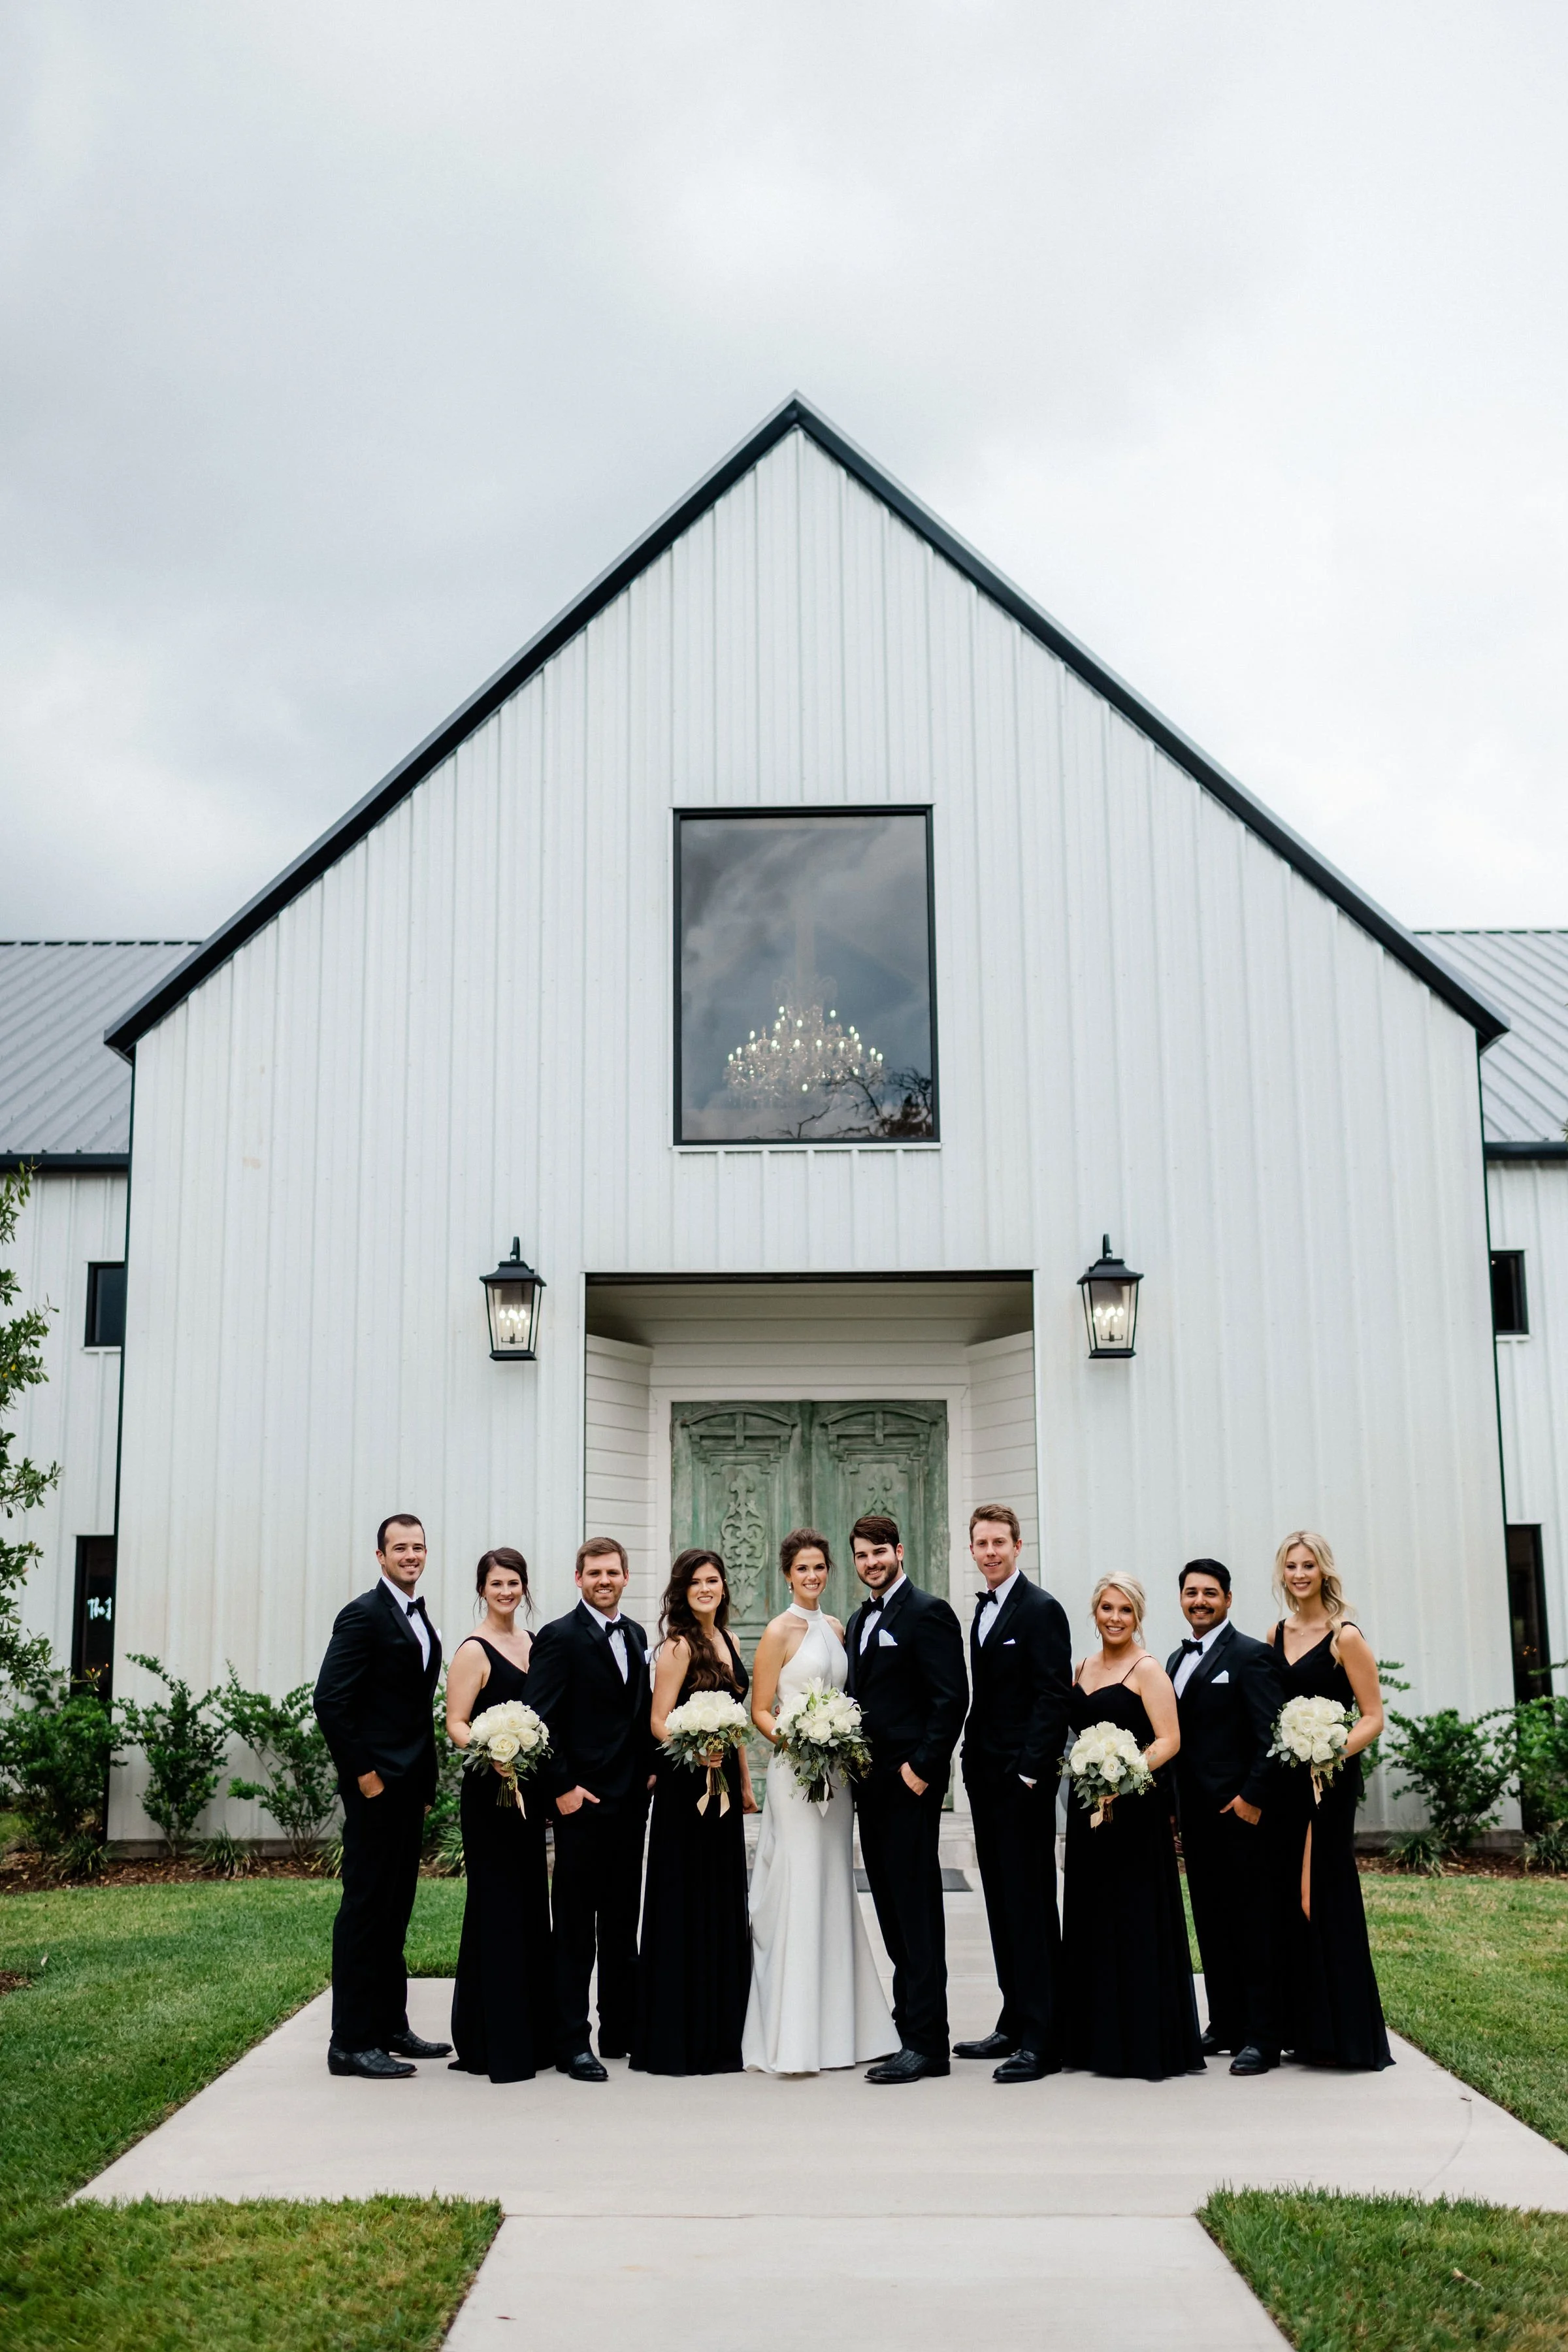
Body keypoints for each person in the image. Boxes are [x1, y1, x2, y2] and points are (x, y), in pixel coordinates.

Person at [743, 1529, 897, 2074]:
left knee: (833, 1884)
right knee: (800, 1882)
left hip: (840, 1777)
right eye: (802, 1569)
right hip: (797, 1776)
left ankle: (842, 2031)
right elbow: (761, 1709)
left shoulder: (836, 1627)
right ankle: (796, 2035)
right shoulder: (778, 1631)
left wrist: (836, 1741)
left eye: (819, 1568)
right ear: (787, 1574)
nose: (812, 1577)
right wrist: (801, 1741)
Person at [313, 1513, 451, 2079]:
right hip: (375, 1790)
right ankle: (349, 2041)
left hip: (407, 1789)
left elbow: (413, 1711)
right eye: (400, 1548)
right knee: (365, 1912)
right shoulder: (363, 1615)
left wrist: (423, 1783)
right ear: (380, 1556)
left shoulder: (416, 1616)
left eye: (418, 1547)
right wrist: (364, 1777)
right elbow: (331, 1701)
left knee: (396, 1910)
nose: (411, 1555)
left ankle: (390, 2025)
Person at [1060, 1576, 1204, 2080]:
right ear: (1094, 1612)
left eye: (1124, 1609)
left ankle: (1142, 2042)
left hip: (1133, 1812)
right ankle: (1094, 2039)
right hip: (1088, 1812)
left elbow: (1170, 1740)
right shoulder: (1083, 1666)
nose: (1114, 1617)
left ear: (1137, 1615)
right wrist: (1093, 1778)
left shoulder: (1148, 1671)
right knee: (1091, 1916)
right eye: (1106, 1607)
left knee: (1133, 1917)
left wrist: (1123, 1774)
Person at [525, 1535, 655, 2082]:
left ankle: (619, 2029)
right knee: (577, 1927)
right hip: (582, 1805)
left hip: (630, 1804)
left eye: (613, 1573)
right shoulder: (558, 1637)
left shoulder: (637, 1633)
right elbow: (539, 1719)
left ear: (626, 1577)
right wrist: (562, 1789)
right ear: (578, 1579)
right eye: (594, 1573)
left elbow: (639, 1710)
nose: (604, 1581)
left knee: (623, 1924)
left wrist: (649, 1770)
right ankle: (571, 2040)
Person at [845, 1512, 967, 2083]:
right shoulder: (859, 1620)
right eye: (863, 1555)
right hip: (870, 1787)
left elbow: (950, 1700)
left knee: (916, 1912)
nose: (872, 1563)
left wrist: (923, 1770)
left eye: (879, 1553)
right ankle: (907, 2024)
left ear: (900, 1551)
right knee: (892, 1910)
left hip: (908, 1786)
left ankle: (928, 2044)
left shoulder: (928, 1612)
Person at [1264, 1530, 1393, 2071]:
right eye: (1291, 1566)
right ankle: (1305, 2030)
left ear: (1324, 1572)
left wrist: (1330, 1749)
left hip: (1329, 1783)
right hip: (1284, 1783)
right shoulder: (1274, 1633)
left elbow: (1373, 1717)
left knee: (1322, 1894)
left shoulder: (1345, 1637)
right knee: (1286, 1900)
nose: (1299, 1574)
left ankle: (1348, 2035)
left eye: (1308, 1565)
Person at [955, 1504, 1071, 2084]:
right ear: (972, 1550)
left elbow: (1053, 1696)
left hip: (1021, 1785)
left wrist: (1030, 1773)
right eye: (982, 1544)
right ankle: (1013, 2015)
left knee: (1029, 1906)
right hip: (986, 1779)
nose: (991, 1551)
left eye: (1000, 1542)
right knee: (1000, 1903)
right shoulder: (982, 1611)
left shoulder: (1042, 1609)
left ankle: (1043, 2037)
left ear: (1018, 1547)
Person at [631, 1550, 757, 2075]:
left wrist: (746, 1781)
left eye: (714, 1580)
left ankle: (722, 2032)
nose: (706, 1588)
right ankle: (679, 2037)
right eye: (696, 1582)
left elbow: (737, 1721)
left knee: (722, 1901)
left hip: (723, 1789)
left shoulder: (727, 1640)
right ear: (682, 1591)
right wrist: (693, 1744)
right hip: (687, 1791)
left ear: (724, 1587)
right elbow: (657, 1720)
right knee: (685, 1902)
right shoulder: (678, 1646)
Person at [1166, 1558, 1283, 2076]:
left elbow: (1272, 1736)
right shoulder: (1174, 1660)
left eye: (1210, 1593)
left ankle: (1263, 2036)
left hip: (1241, 1816)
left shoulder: (1253, 1657)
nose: (1200, 1601)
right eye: (1191, 1593)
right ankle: (1226, 2023)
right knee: (1211, 1924)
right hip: (1195, 1817)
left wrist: (1252, 1798)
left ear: (1228, 1599)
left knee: (1253, 1924)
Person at [444, 1547, 554, 2083]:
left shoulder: (535, 1644)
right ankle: (493, 2041)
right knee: (498, 1908)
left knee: (532, 1905)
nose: (506, 1592)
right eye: (496, 1584)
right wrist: (492, 1751)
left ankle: (531, 2034)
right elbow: (456, 1722)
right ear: (482, 1589)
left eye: (514, 1583)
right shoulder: (473, 1650)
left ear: (524, 1588)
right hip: (489, 1795)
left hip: (527, 1798)